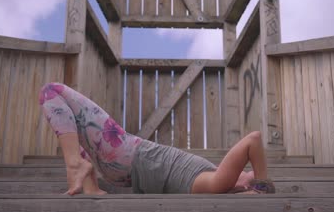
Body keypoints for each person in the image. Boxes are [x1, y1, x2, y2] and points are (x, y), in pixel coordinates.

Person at [39, 82, 275, 195]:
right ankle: (89, 182)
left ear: (242, 185)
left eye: (251, 177)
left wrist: (263, 187)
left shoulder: (216, 184)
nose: (252, 172)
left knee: (52, 92)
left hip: (127, 155)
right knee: (73, 122)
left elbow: (253, 140)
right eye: (254, 173)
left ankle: (75, 164)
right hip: (122, 165)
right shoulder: (210, 180)